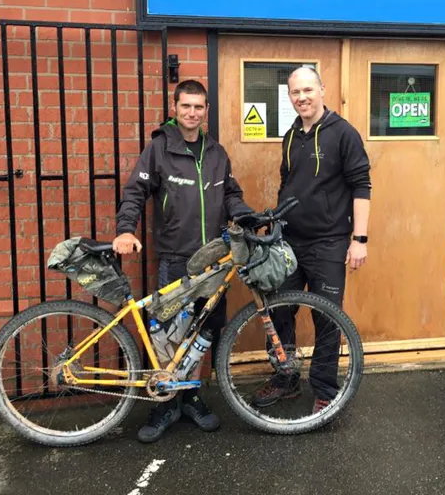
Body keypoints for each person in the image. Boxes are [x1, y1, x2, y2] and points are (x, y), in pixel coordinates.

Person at [114, 79, 252, 443]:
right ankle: (165, 405)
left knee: (206, 330)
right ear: (175, 107)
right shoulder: (159, 149)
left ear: (206, 111)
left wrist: (246, 216)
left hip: (213, 259)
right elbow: (134, 192)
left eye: (199, 107)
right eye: (186, 106)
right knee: (167, 335)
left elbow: (231, 195)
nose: (192, 112)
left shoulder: (217, 153)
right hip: (175, 258)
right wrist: (126, 230)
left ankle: (190, 397)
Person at [254, 66, 371, 413]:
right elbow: (288, 185)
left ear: (322, 89)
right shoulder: (291, 135)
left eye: (308, 90)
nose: (302, 97)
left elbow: (361, 185)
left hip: (329, 243)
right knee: (279, 311)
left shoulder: (343, 133)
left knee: (327, 318)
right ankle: (286, 378)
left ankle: (324, 390)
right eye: (295, 92)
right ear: (289, 96)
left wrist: (359, 238)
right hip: (289, 243)